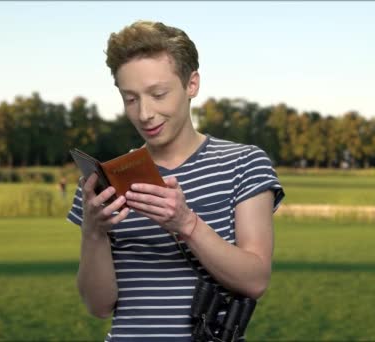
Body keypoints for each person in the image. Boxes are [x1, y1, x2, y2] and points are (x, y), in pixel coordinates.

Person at [67, 20, 284, 341]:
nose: (145, 113)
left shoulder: (244, 163)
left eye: (158, 94)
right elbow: (98, 306)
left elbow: (255, 280)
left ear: (191, 84)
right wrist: (94, 233)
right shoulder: (106, 181)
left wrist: (187, 224)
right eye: (130, 98)